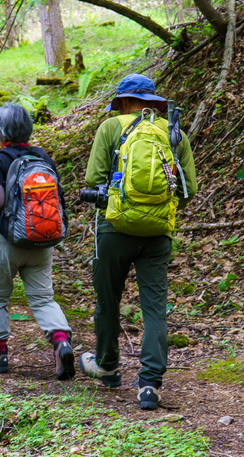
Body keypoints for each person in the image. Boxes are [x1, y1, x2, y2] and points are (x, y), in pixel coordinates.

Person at [77, 74, 197, 410]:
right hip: (158, 234)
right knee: (155, 308)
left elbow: (93, 179)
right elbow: (189, 189)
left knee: (108, 299)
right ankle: (150, 383)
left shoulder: (111, 127)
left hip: (113, 229)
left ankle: (108, 365)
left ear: (124, 102)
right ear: (152, 102)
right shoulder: (173, 133)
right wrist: (160, 208)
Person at [0, 103, 73, 378]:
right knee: (43, 298)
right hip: (42, 240)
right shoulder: (43, 158)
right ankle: (61, 342)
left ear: (1, 132)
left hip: (7, 241)